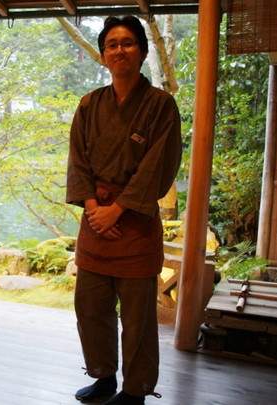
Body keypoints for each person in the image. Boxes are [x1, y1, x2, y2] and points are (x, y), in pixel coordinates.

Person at [66, 16, 182, 405]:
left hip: (135, 221)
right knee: (90, 307)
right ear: (103, 55)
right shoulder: (89, 104)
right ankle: (102, 376)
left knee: (137, 317)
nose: (120, 50)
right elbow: (78, 161)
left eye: (128, 43)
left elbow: (157, 166)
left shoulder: (161, 105)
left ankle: (135, 390)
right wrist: (94, 208)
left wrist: (116, 211)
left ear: (143, 51)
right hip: (95, 218)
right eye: (112, 44)